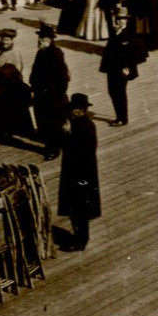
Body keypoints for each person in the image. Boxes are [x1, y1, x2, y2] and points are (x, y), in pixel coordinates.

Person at [58, 94, 101, 251]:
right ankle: (78, 236)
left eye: (77, 109)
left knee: (80, 209)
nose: (74, 112)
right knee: (75, 209)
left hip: (82, 174)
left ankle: (81, 240)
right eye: (73, 109)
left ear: (83, 110)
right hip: (75, 172)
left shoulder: (86, 127)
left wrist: (67, 135)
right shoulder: (77, 124)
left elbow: (82, 151)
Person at [28, 24, 70, 159]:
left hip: (52, 96)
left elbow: (63, 78)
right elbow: (34, 72)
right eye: (40, 38)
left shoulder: (56, 54)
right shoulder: (40, 52)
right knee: (42, 120)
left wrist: (59, 96)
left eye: (44, 38)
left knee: (53, 123)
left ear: (51, 40)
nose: (40, 40)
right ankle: (50, 141)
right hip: (40, 94)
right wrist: (33, 86)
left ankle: (53, 149)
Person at [98, 12, 141, 126]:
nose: (120, 21)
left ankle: (122, 118)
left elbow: (133, 53)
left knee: (119, 93)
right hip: (112, 68)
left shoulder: (128, 34)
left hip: (121, 69)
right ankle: (119, 116)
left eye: (122, 19)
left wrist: (127, 67)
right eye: (118, 19)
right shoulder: (115, 31)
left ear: (126, 21)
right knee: (112, 92)